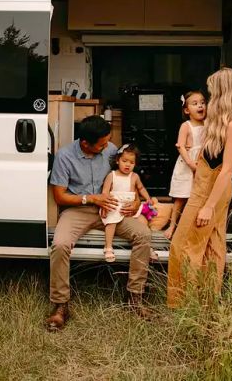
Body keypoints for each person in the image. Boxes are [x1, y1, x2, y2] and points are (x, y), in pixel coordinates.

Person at [47, 115, 152, 331]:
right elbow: (60, 196)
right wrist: (92, 198)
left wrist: (136, 201)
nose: (108, 147)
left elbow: (129, 178)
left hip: (114, 209)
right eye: (102, 144)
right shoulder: (65, 156)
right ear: (85, 143)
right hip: (80, 209)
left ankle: (135, 297)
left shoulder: (111, 149)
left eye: (108, 142)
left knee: (143, 235)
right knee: (60, 244)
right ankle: (60, 305)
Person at [167, 68, 232, 307]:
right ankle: (207, 303)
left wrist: (208, 207)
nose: (209, 98)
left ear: (222, 92)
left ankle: (183, 302)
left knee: (183, 244)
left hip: (213, 191)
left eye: (212, 92)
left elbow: (227, 170)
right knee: (212, 245)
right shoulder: (218, 121)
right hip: (204, 186)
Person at [101, 143, 159, 263]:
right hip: (115, 205)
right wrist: (105, 204)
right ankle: (108, 246)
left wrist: (148, 198)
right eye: (124, 161)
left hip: (131, 206)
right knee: (111, 222)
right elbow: (105, 191)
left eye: (131, 163)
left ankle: (147, 247)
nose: (128, 164)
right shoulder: (112, 176)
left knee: (143, 221)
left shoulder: (135, 176)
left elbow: (141, 188)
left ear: (135, 164)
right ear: (117, 160)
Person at [166, 90, 207, 240]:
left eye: (202, 102)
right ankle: (172, 226)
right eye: (195, 104)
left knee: (198, 196)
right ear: (186, 110)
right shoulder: (186, 125)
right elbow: (180, 146)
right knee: (181, 197)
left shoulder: (207, 124)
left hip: (202, 163)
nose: (200, 106)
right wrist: (191, 163)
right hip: (187, 164)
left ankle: (191, 226)